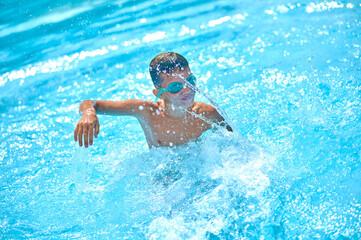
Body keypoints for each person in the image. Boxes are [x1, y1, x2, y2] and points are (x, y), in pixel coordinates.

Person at [74, 52, 232, 148]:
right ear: (159, 93)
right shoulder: (146, 111)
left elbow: (237, 142)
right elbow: (90, 103)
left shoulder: (208, 114)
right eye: (175, 87)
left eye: (190, 81)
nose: (187, 89)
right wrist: (88, 113)